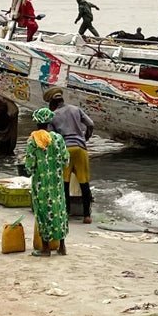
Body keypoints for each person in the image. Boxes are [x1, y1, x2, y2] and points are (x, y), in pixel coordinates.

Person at [25, 106, 71, 256]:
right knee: (59, 211)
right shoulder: (58, 138)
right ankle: (62, 246)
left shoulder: (34, 140)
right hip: (57, 182)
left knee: (43, 212)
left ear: (37, 123)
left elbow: (30, 165)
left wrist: (31, 169)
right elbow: (65, 160)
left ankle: (45, 248)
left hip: (41, 184)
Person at [47, 87, 95, 223]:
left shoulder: (53, 115)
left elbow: (52, 137)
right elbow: (91, 124)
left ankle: (66, 213)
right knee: (84, 182)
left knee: (64, 183)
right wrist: (85, 137)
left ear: (52, 103)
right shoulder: (75, 109)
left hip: (65, 149)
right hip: (80, 148)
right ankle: (87, 215)